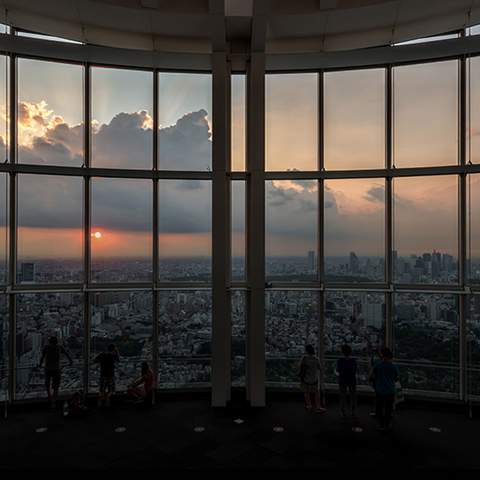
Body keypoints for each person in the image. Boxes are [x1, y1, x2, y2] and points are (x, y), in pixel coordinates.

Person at [369, 347, 399, 431]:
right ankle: (387, 424)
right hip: (390, 391)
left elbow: (371, 377)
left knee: (379, 408)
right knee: (388, 409)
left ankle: (381, 425)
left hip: (380, 391)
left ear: (382, 355)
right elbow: (396, 379)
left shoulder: (378, 366)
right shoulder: (394, 367)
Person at [39, 336, 73, 409]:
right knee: (56, 387)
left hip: (48, 369)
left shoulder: (46, 347)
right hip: (56, 369)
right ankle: (54, 402)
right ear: (56, 342)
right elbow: (67, 354)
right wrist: (70, 361)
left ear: (50, 341)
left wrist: (40, 365)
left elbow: (42, 357)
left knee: (47, 384)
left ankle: (49, 398)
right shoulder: (59, 347)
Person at [299, 345, 326, 413]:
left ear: (306, 351)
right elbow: (320, 368)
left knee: (306, 392)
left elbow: (299, 366)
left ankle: (309, 405)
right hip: (314, 379)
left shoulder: (304, 358)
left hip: (305, 379)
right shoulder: (316, 359)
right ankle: (318, 407)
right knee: (316, 393)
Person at [336, 344, 357, 418]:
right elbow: (355, 370)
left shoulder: (340, 360)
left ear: (342, 352)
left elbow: (338, 370)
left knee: (342, 396)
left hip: (342, 379)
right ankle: (352, 412)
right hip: (352, 379)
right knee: (353, 396)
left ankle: (343, 412)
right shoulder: (353, 360)